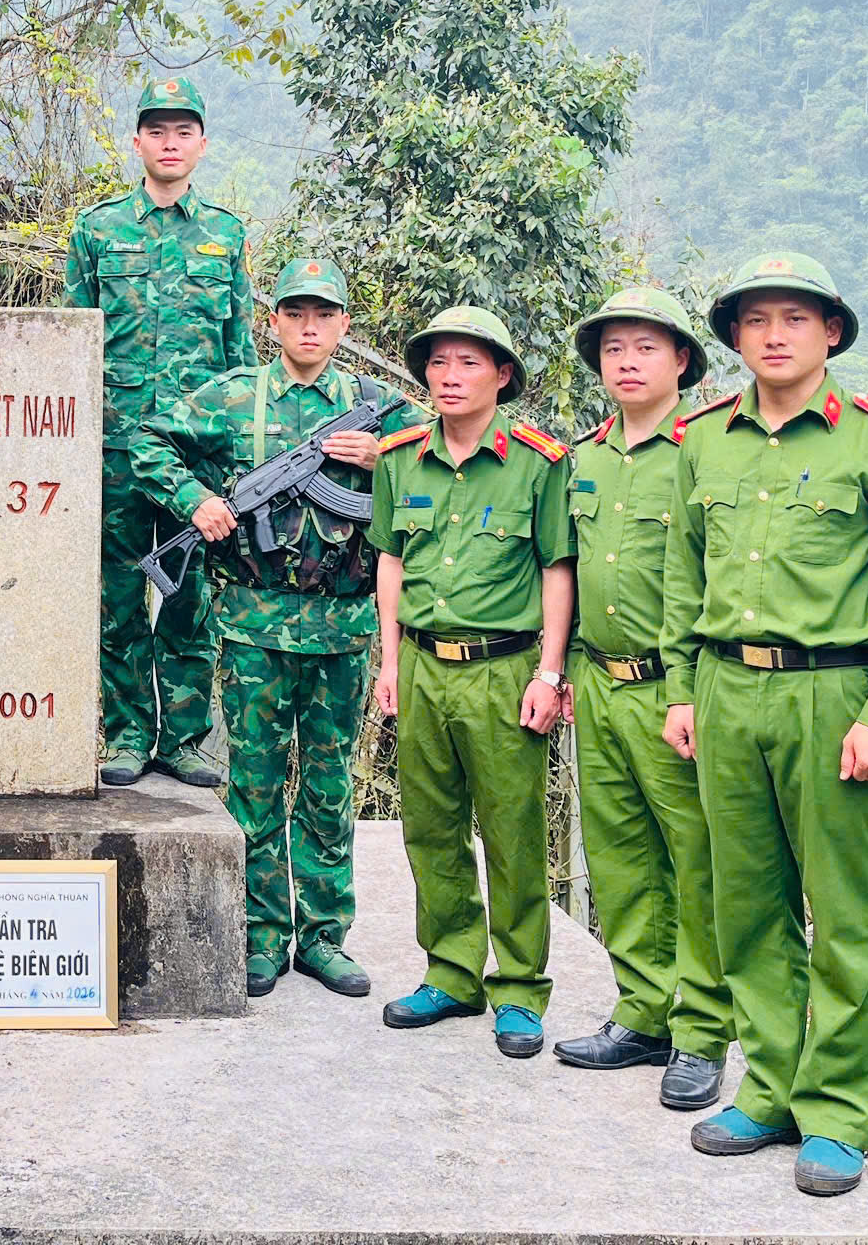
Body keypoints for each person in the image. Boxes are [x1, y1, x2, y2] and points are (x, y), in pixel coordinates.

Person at [662, 252, 868, 1198]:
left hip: (835, 698)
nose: (774, 335)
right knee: (746, 904)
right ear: (735, 339)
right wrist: (681, 688)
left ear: (831, 332)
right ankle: (772, 1086)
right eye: (755, 321)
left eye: (795, 317)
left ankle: (840, 1109)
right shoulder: (704, 441)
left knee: (844, 913)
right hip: (727, 690)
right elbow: (681, 573)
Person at [129, 256, 414, 1000]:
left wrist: (384, 460)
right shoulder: (232, 399)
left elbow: (447, 466)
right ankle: (260, 936)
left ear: (346, 325)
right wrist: (195, 499)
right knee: (254, 785)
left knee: (327, 788)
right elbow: (145, 441)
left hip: (345, 629)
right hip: (255, 629)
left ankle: (324, 938)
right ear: (274, 321)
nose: (310, 325)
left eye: (324, 314)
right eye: (296, 312)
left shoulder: (382, 409)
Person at [365, 305, 574, 1059]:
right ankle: (451, 972)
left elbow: (557, 567)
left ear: (502, 376)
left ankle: (518, 988)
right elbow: (390, 561)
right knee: (430, 825)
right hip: (422, 665)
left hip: (504, 667)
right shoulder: (399, 459)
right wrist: (389, 664)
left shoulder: (538, 461)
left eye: (469, 364)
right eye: (439, 364)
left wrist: (551, 671)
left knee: (514, 829)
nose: (449, 378)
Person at [550, 285, 731, 1113]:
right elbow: (567, 571)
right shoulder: (582, 458)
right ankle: (643, 1012)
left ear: (682, 361)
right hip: (599, 679)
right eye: (614, 349)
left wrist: (690, 689)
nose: (626, 362)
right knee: (620, 860)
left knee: (694, 864)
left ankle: (702, 1031)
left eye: (645, 348)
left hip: (675, 690)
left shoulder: (707, 451)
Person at [64, 75, 255, 788]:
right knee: (116, 598)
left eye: (183, 131)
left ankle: (182, 738)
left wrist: (238, 455)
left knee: (188, 600)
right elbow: (72, 346)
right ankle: (124, 736)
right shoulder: (97, 229)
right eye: (157, 130)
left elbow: (240, 356)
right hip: (114, 450)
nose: (170, 143)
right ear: (137, 141)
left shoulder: (225, 235)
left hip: (197, 456)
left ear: (201, 144)